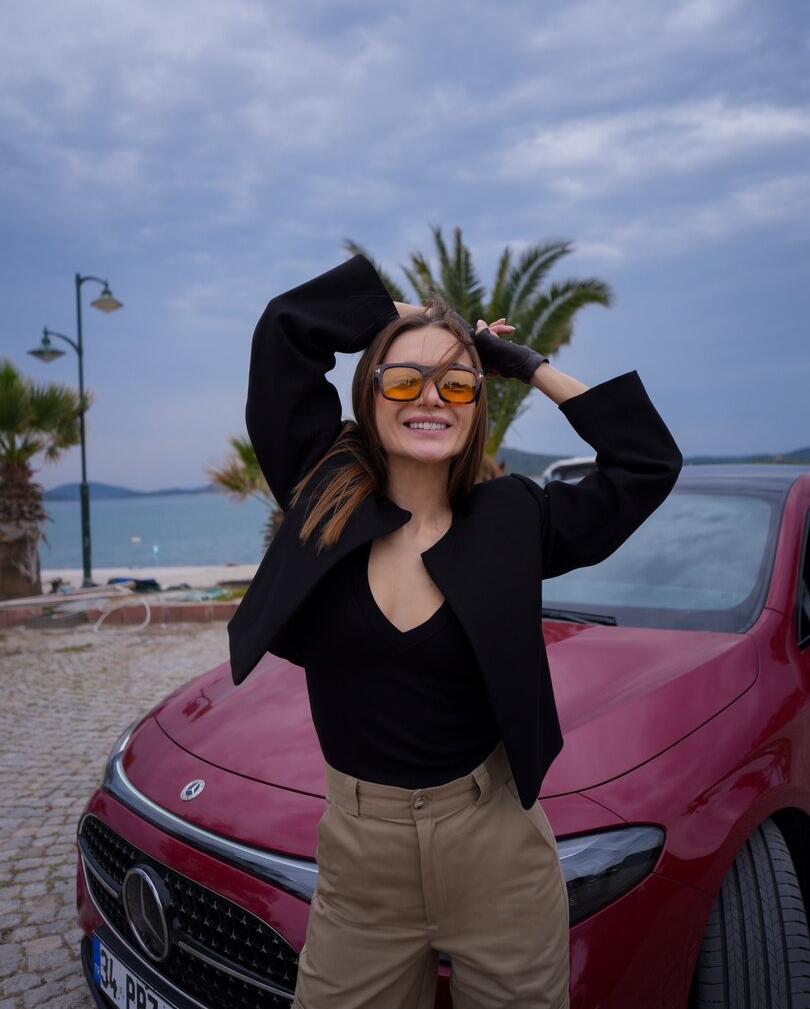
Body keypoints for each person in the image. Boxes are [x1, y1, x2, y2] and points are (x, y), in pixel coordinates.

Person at [227, 254, 682, 1009]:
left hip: (498, 851)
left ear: (476, 405)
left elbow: (645, 462)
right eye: (404, 381)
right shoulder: (322, 489)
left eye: (457, 383)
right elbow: (287, 328)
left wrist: (523, 363)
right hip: (360, 862)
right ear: (370, 395)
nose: (431, 397)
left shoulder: (513, 517)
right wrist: (434, 322)